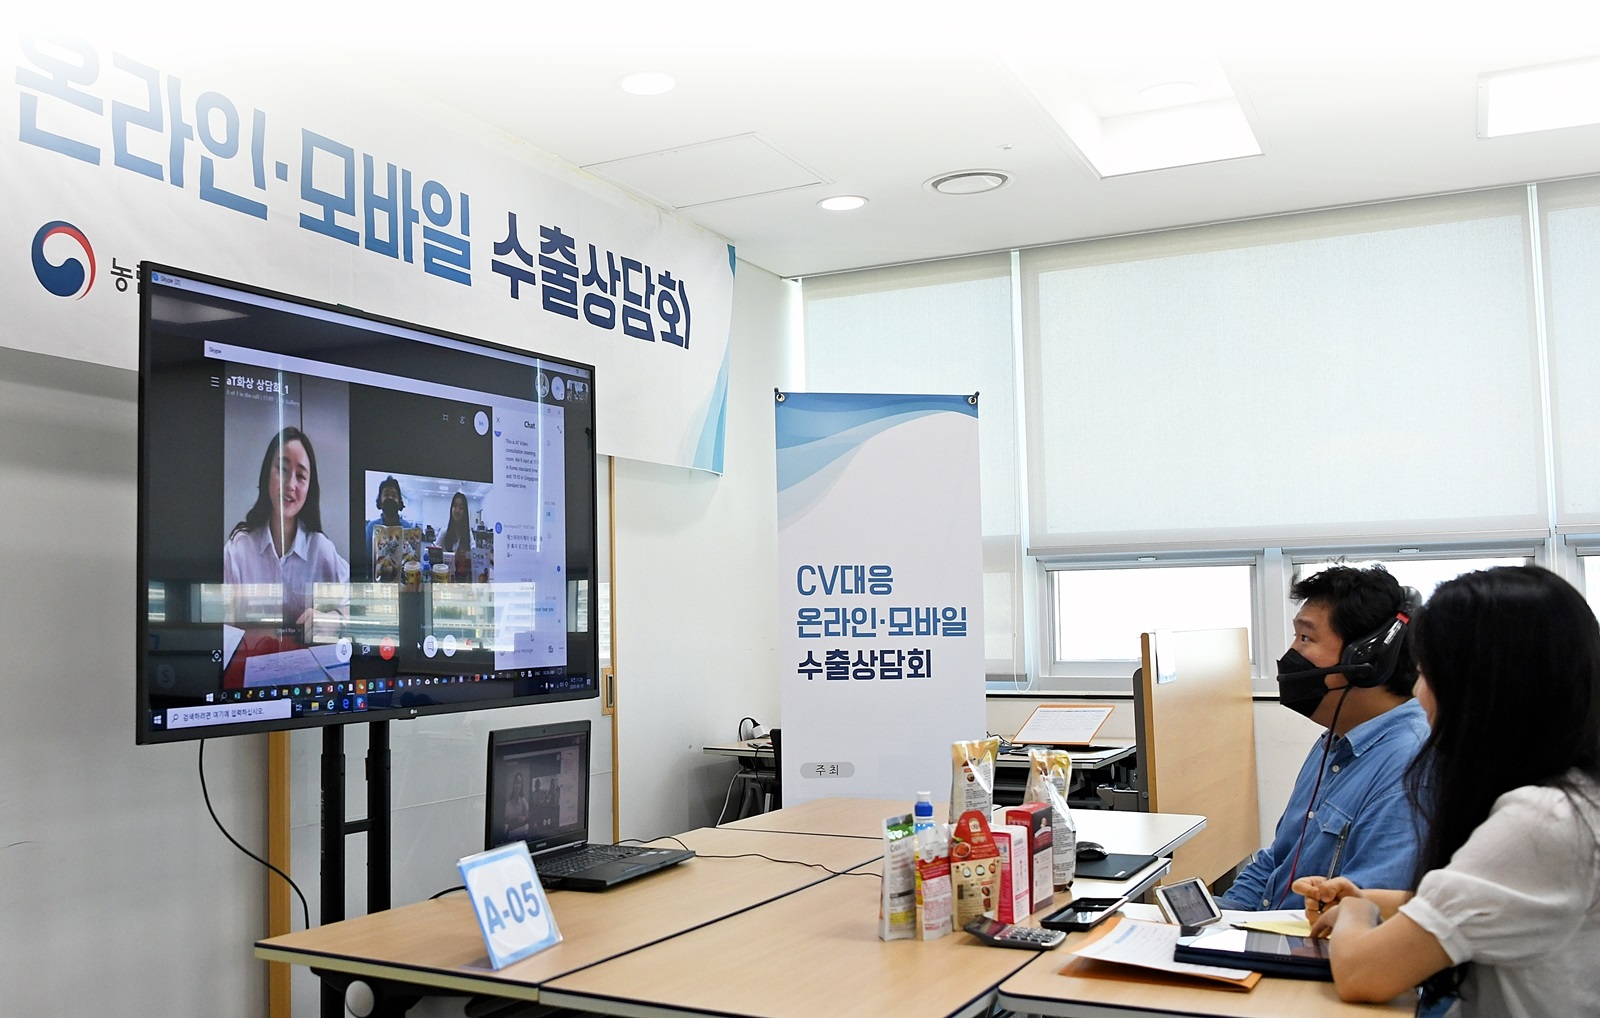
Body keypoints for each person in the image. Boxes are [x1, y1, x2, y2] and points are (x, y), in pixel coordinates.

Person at [1295, 566, 1600, 1016]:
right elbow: (1476, 904)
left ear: (1478, 687)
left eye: (1426, 673)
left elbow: (1364, 975)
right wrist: (1366, 900)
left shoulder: (1541, 821)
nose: (1419, 693)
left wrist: (1358, 916)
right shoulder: (1574, 795)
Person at [1215, 565, 1430, 910]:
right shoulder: (1334, 741)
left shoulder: (1409, 770)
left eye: (1306, 638)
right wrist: (1222, 921)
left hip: (1314, 940)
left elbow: (1364, 914)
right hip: (1268, 930)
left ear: (1366, 660)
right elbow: (1277, 860)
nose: (1290, 655)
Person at [223, 426, 350, 640]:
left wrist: (334, 620)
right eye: (282, 469)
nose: (290, 484)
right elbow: (221, 629)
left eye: (300, 476)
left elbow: (359, 605)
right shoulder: (237, 552)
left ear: (309, 488)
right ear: (267, 474)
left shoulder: (321, 549)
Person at [364, 475, 417, 581]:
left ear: (399, 501)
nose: (390, 498)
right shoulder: (371, 528)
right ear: (380, 500)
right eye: (386, 494)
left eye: (394, 495)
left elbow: (412, 562)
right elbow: (367, 561)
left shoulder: (408, 528)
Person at [439, 491, 473, 581]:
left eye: (461, 507)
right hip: (444, 578)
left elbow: (475, 555)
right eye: (455, 506)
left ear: (465, 512)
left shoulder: (469, 534)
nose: (457, 510)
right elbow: (434, 552)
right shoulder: (444, 532)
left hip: (462, 580)